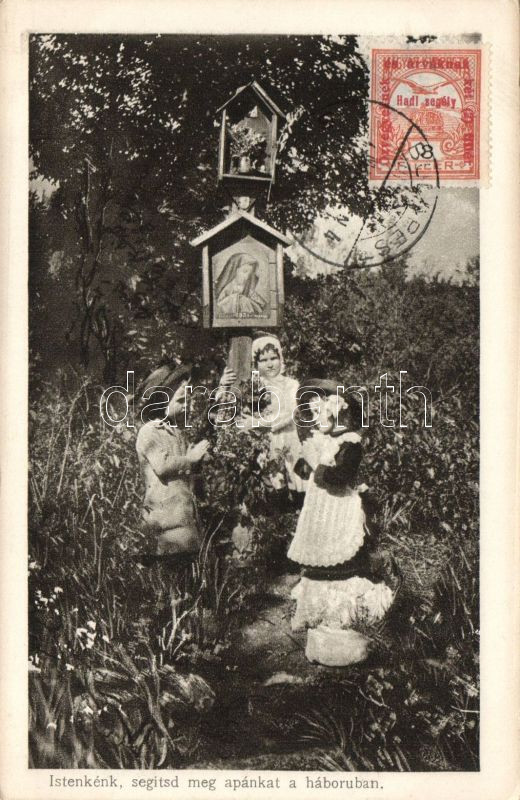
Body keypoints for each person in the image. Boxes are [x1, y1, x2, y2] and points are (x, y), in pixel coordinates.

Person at [135, 363, 209, 559]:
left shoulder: (177, 433)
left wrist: (195, 460)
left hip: (183, 515)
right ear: (161, 400)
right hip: (164, 519)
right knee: (169, 561)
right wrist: (190, 459)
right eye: (180, 400)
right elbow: (162, 465)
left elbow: (187, 469)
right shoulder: (150, 431)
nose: (185, 406)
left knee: (187, 562)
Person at [215, 252, 267, 317]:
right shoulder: (230, 286)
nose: (247, 277)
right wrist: (234, 298)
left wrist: (261, 303)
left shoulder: (245, 286)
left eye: (249, 274)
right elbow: (220, 302)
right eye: (244, 271)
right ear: (235, 271)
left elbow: (253, 295)